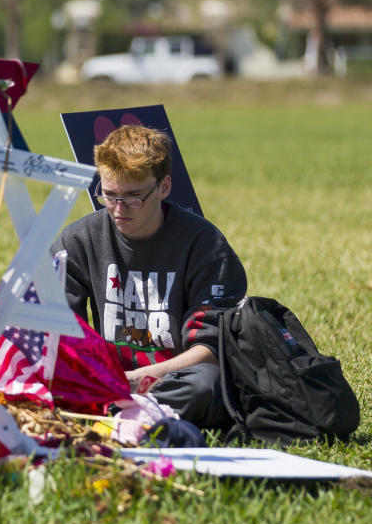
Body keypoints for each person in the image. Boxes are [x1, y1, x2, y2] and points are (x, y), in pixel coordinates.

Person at [52, 125, 247, 428]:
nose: (118, 209)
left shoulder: (204, 245)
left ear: (164, 187)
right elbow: (58, 332)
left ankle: (119, 414)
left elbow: (209, 351)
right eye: (109, 194)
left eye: (133, 197)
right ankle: (124, 413)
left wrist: (134, 380)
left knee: (207, 384)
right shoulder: (79, 240)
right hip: (105, 377)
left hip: (174, 378)